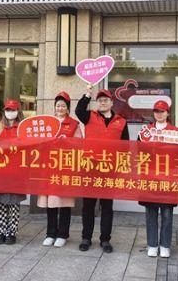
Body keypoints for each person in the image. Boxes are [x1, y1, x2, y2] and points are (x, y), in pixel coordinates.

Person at [75, 84, 129, 253]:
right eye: (100, 100)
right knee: (88, 206)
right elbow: (78, 110)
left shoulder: (121, 121)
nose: (103, 102)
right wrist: (87, 94)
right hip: (90, 168)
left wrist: (122, 168)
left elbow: (125, 147)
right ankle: (86, 237)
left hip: (109, 170)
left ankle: (105, 239)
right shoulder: (89, 116)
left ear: (112, 102)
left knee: (106, 207)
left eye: (106, 100)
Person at [38, 91, 82, 248]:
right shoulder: (48, 123)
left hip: (65, 168)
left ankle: (63, 234)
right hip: (49, 167)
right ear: (54, 107)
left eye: (63, 106)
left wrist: (67, 142)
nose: (60, 108)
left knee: (64, 202)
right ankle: (50, 233)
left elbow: (79, 144)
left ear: (68, 108)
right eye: (58, 105)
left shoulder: (74, 124)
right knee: (51, 202)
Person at [139, 100, 178, 258]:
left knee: (167, 213)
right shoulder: (146, 131)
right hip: (150, 177)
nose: (159, 114)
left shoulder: (175, 131)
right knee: (151, 212)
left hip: (168, 177)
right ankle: (152, 244)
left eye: (162, 111)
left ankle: (165, 245)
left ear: (167, 113)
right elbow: (139, 151)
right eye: (157, 111)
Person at [0, 99, 26, 245]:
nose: (10, 113)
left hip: (16, 170)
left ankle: (12, 233)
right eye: (8, 110)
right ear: (4, 111)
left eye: (13, 110)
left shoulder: (23, 127)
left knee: (14, 203)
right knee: (0, 202)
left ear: (18, 111)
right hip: (0, 169)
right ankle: (0, 231)